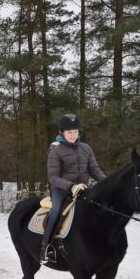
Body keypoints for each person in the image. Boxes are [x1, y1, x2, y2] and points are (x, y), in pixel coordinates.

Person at [40, 114, 106, 265]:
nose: (73, 135)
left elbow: (95, 170)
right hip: (61, 190)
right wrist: (71, 186)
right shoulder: (55, 151)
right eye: (69, 132)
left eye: (75, 132)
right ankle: (46, 248)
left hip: (83, 189)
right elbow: (53, 177)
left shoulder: (86, 148)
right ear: (62, 132)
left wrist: (108, 182)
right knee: (56, 210)